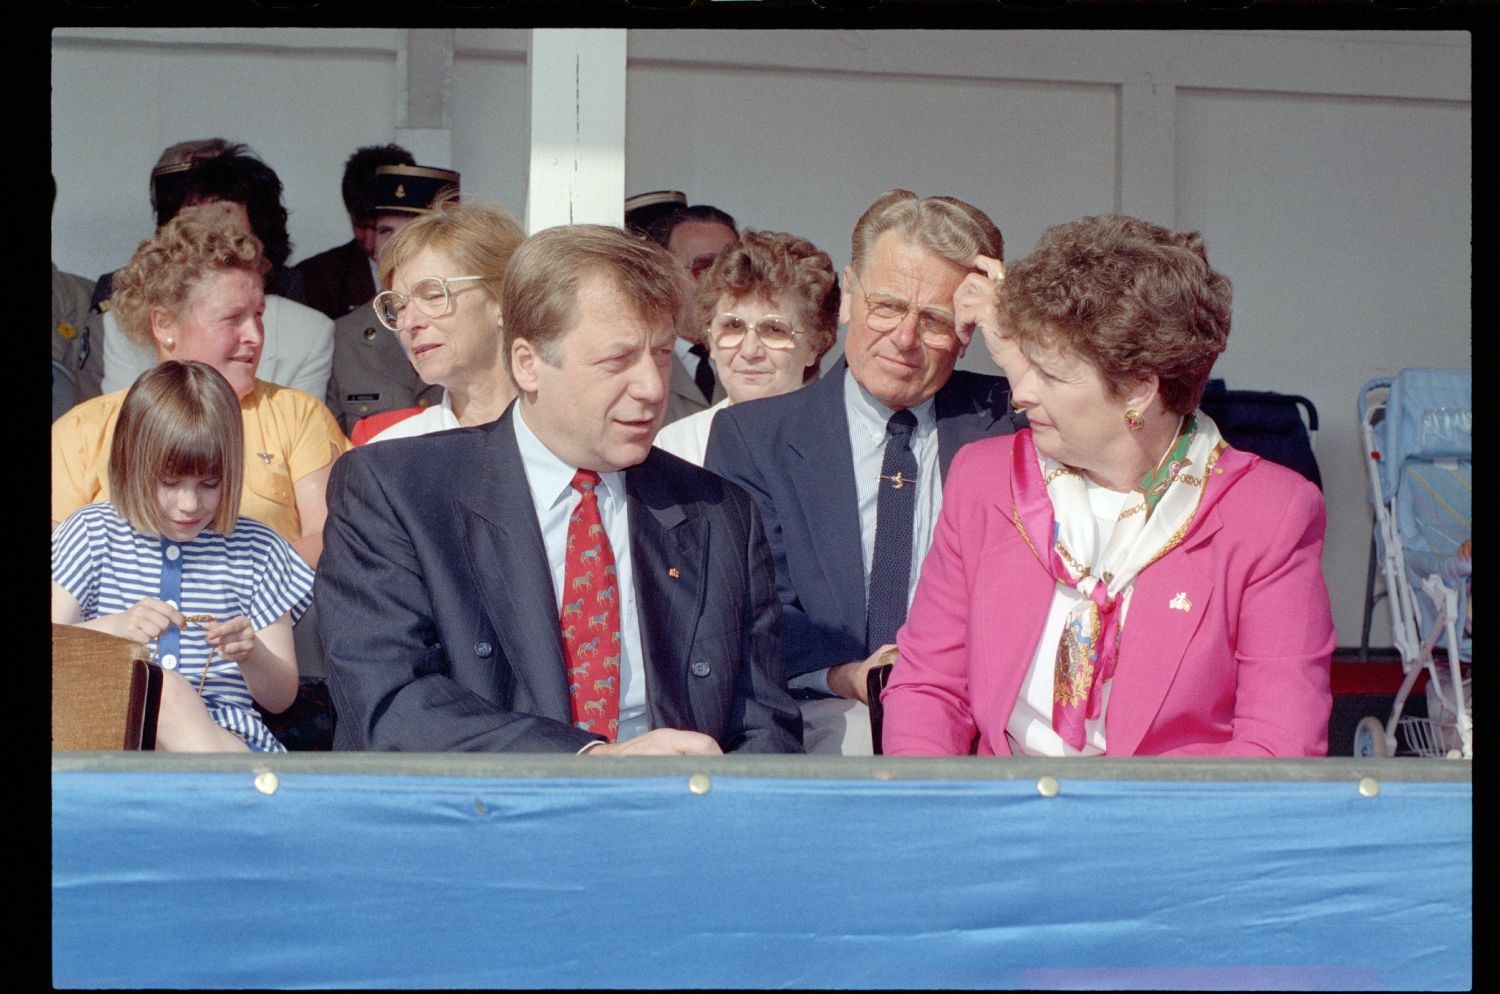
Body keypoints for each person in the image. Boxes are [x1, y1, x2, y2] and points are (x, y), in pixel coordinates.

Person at [316, 223, 803, 754]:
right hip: (481, 820)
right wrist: (591, 762)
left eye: (662, 354)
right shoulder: (397, 491)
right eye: (618, 360)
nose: (652, 388)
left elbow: (765, 728)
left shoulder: (718, 513)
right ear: (528, 364)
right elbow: (392, 704)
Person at [881, 214, 1335, 757]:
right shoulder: (984, 481)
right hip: (998, 821)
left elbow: (1276, 748)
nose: (1019, 393)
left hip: (1167, 830)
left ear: (1139, 389)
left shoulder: (1270, 514)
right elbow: (929, 688)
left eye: (1050, 374)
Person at [705, 189, 1018, 754]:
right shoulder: (755, 437)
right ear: (847, 294)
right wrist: (845, 673)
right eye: (888, 306)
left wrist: (1014, 336)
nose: (903, 339)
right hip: (818, 722)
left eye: (936, 321)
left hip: (977, 737)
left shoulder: (1014, 423)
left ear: (969, 329)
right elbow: (750, 604)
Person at [53, 202, 350, 569]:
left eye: (258, 315)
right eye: (232, 318)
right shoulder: (84, 430)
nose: (255, 336)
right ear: (164, 325)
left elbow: (333, 539)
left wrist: (225, 592)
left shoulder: (298, 416)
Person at [52, 361, 314, 752]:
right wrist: (115, 629)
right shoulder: (91, 532)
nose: (189, 504)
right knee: (159, 691)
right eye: (169, 483)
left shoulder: (260, 548)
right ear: (131, 467)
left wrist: (252, 654)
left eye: (210, 484)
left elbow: (280, 698)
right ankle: (252, 798)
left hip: (228, 737)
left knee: (165, 696)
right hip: (110, 737)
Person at [99, 146, 336, 401]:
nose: (207, 233)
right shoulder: (122, 325)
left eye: (223, 217)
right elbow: (125, 426)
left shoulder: (307, 332)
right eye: (191, 219)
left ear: (259, 235)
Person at [654, 229, 839, 465]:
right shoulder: (676, 446)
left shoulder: (844, 444)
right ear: (709, 339)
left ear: (815, 345)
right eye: (733, 326)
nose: (750, 351)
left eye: (774, 329)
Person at [352, 196, 526, 443]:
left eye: (433, 295)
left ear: (504, 299)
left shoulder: (579, 441)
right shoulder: (390, 454)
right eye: (399, 307)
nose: (409, 322)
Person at [325, 163, 459, 435]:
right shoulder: (345, 335)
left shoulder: (469, 322)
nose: (394, 245)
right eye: (386, 231)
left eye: (411, 232)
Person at [294, 143, 416, 320]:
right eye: (359, 226)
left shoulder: (442, 270)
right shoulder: (316, 278)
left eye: (381, 230)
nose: (370, 243)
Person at [645, 204, 738, 425]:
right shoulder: (638, 358)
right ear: (663, 274)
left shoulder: (756, 357)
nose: (721, 282)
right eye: (704, 267)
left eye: (731, 269)